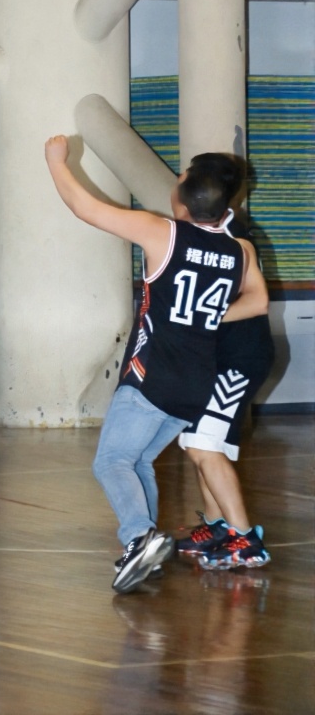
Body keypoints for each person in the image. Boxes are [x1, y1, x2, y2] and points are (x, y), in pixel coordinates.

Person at [44, 137, 268, 594]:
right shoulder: (239, 250)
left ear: (181, 196)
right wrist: (204, 317)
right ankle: (148, 548)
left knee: (111, 462)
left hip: (152, 376)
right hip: (197, 380)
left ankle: (139, 538)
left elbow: (85, 207)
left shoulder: (162, 232)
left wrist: (56, 163)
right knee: (140, 460)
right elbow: (256, 302)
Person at [175, 192, 274, 570]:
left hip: (239, 361)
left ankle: (246, 540)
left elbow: (257, 302)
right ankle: (218, 527)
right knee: (197, 443)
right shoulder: (208, 232)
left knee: (204, 443)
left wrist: (202, 317)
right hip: (217, 360)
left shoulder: (235, 238)